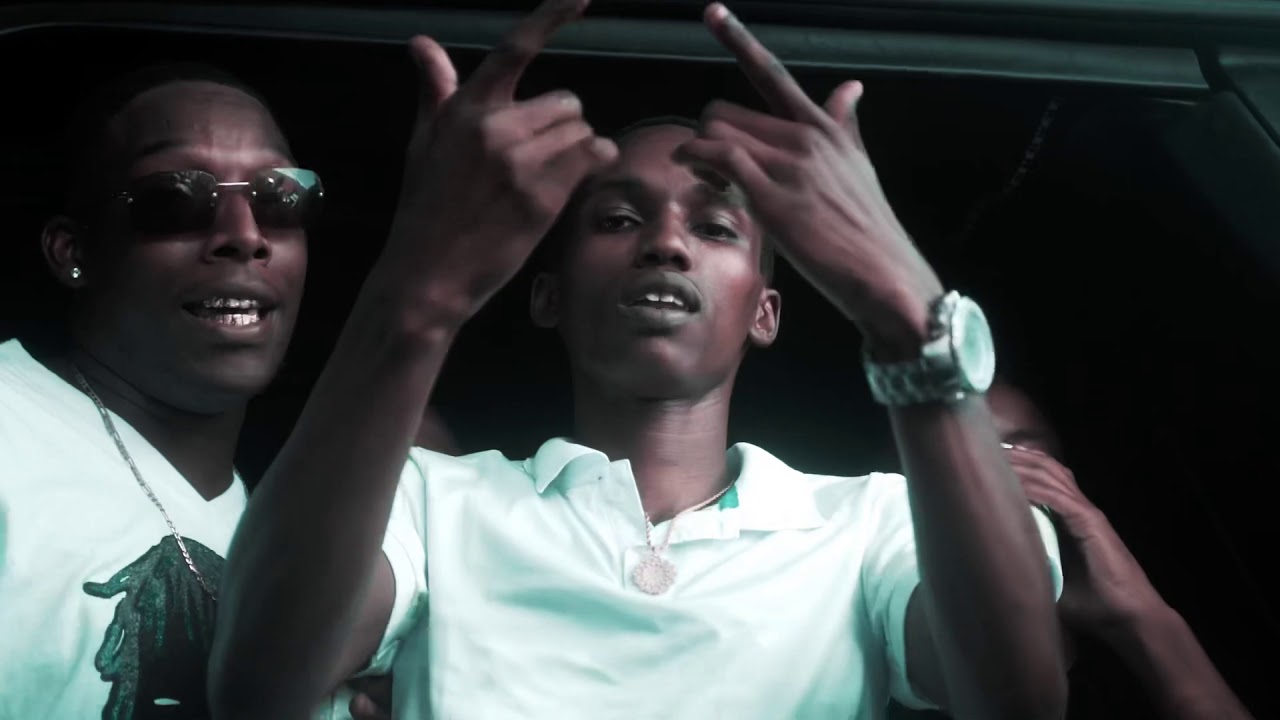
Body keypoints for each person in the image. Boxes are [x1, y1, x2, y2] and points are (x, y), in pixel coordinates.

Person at [210, 1, 1068, 718]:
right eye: (618, 220)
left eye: (716, 226)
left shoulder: (879, 525)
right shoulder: (427, 503)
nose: (666, 243)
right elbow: (258, 685)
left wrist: (905, 304)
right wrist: (417, 282)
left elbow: (1017, 699)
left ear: (765, 312)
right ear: (547, 296)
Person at [0, 64, 383, 720]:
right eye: (174, 198)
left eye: (280, 197)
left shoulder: (304, 556)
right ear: (73, 251)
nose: (245, 235)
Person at [988, 379, 1255, 720]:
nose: (992, 478)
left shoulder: (1116, 677)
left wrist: (1139, 615)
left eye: (1016, 452)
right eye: (968, 461)